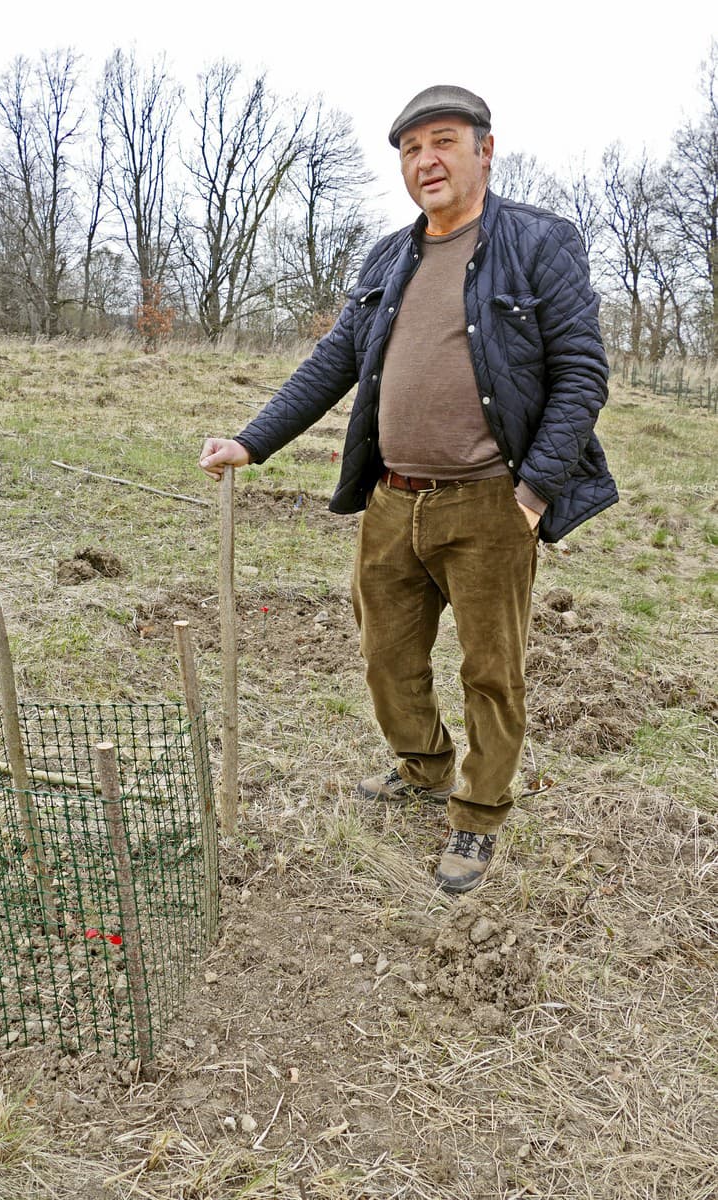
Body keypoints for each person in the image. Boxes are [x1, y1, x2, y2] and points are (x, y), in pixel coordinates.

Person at [199, 84, 617, 895]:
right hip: (392, 501)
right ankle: (424, 768)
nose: (425, 160)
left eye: (444, 141)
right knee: (386, 658)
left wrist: (532, 493)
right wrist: (252, 439)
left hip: (492, 502)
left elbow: (581, 374)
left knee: (493, 671)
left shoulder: (540, 242)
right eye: (409, 148)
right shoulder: (390, 256)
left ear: (484, 150)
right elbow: (334, 360)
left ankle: (478, 812)